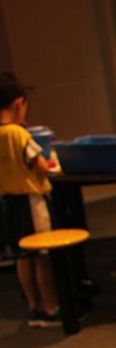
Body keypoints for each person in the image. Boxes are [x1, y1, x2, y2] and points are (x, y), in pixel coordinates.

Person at [0, 72, 62, 328]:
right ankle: (51, 308)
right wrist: (49, 164)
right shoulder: (19, 134)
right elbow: (41, 165)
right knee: (42, 256)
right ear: (19, 104)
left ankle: (33, 308)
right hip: (30, 202)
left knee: (22, 258)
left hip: (7, 204)